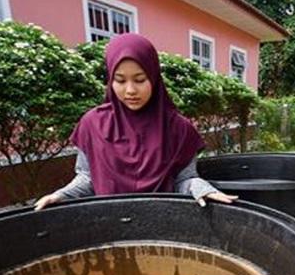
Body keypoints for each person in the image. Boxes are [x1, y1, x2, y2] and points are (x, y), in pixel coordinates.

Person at [34, 33, 236, 211]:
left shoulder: (179, 128)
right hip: (109, 225)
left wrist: (203, 190)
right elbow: (87, 178)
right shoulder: (92, 124)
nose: (130, 90)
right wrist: (61, 195)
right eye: (120, 80)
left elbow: (184, 179)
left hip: (162, 225)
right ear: (110, 79)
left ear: (154, 78)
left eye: (140, 80)